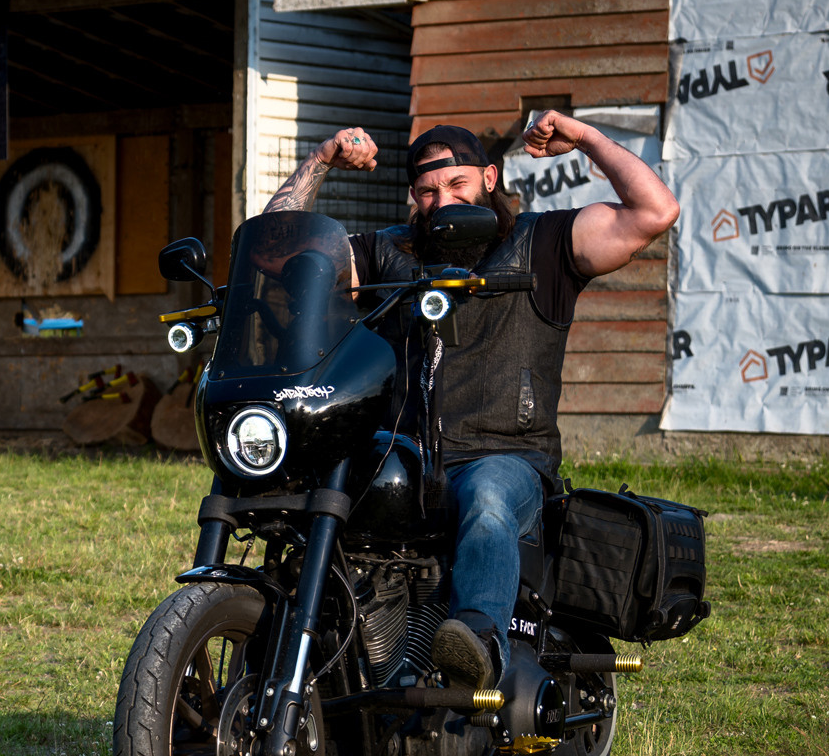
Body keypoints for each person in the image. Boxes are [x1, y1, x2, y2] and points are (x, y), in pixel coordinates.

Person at [263, 114, 679, 686]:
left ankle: (478, 642)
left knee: (485, 498)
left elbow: (655, 212)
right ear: (414, 197)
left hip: (507, 459)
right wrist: (320, 161)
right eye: (429, 191)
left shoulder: (544, 244)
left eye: (458, 185)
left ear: (489, 177)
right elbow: (279, 256)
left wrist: (584, 139)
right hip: (403, 460)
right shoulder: (390, 253)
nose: (443, 200)